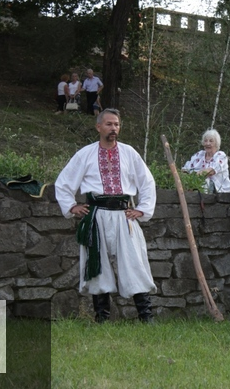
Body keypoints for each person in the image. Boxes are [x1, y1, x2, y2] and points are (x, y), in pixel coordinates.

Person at [55, 109, 157, 323]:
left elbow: (147, 182)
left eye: (117, 124)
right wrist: (72, 206)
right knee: (97, 264)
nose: (114, 129)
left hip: (124, 215)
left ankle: (146, 317)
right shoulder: (85, 154)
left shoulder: (129, 153)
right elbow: (64, 182)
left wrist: (142, 209)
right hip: (96, 215)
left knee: (134, 262)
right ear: (98, 127)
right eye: (109, 124)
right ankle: (101, 317)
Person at [182, 129, 230, 193]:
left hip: (218, 189)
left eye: (211, 141)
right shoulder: (199, 155)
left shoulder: (220, 155)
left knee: (205, 180)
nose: (207, 143)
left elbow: (210, 171)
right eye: (205, 141)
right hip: (196, 184)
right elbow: (185, 169)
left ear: (216, 143)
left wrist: (194, 178)